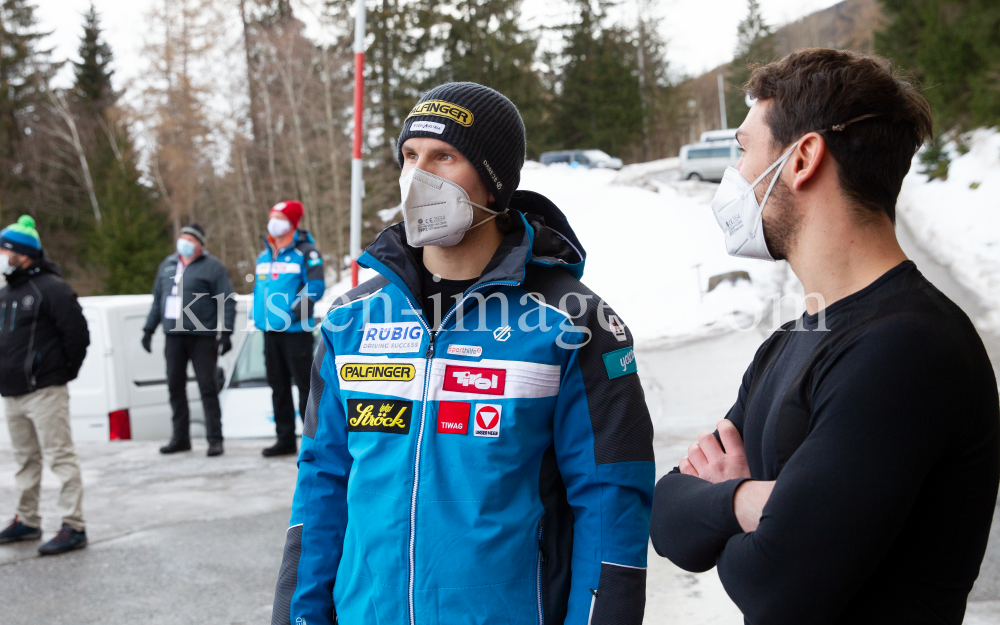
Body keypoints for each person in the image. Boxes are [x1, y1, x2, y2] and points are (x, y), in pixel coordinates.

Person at [271, 83, 654, 625]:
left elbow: (612, 506)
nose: (417, 177)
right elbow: (321, 486)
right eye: (409, 156)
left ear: (494, 184)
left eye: (444, 157)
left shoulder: (573, 323)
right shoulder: (350, 321)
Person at [649, 49, 1000, 625]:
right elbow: (667, 521)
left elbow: (774, 587)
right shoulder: (791, 341)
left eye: (742, 149)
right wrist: (747, 501)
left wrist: (727, 512)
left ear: (802, 158)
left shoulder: (907, 349)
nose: (733, 175)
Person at [0, 216, 91, 556]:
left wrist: (61, 373)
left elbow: (78, 337)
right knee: (25, 459)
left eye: (3, 249)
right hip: (12, 392)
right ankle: (27, 519)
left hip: (45, 390)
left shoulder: (52, 288)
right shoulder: (7, 292)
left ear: (21, 253)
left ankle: (73, 525)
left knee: (60, 456)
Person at [142, 223, 236, 457]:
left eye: (189, 239)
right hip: (173, 336)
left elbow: (227, 300)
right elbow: (158, 300)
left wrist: (226, 332)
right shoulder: (168, 265)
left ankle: (215, 438)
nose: (183, 242)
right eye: (182, 237)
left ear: (199, 244)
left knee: (207, 386)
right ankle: (180, 437)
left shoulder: (213, 267)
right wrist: (148, 329)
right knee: (175, 386)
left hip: (202, 336)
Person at [253, 200, 325, 457]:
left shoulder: (306, 252)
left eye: (279, 216)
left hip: (295, 331)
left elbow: (315, 287)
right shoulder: (264, 254)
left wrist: (292, 314)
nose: (273, 221)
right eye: (271, 216)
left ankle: (312, 441)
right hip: (269, 332)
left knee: (306, 387)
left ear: (292, 222)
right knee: (278, 385)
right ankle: (284, 439)